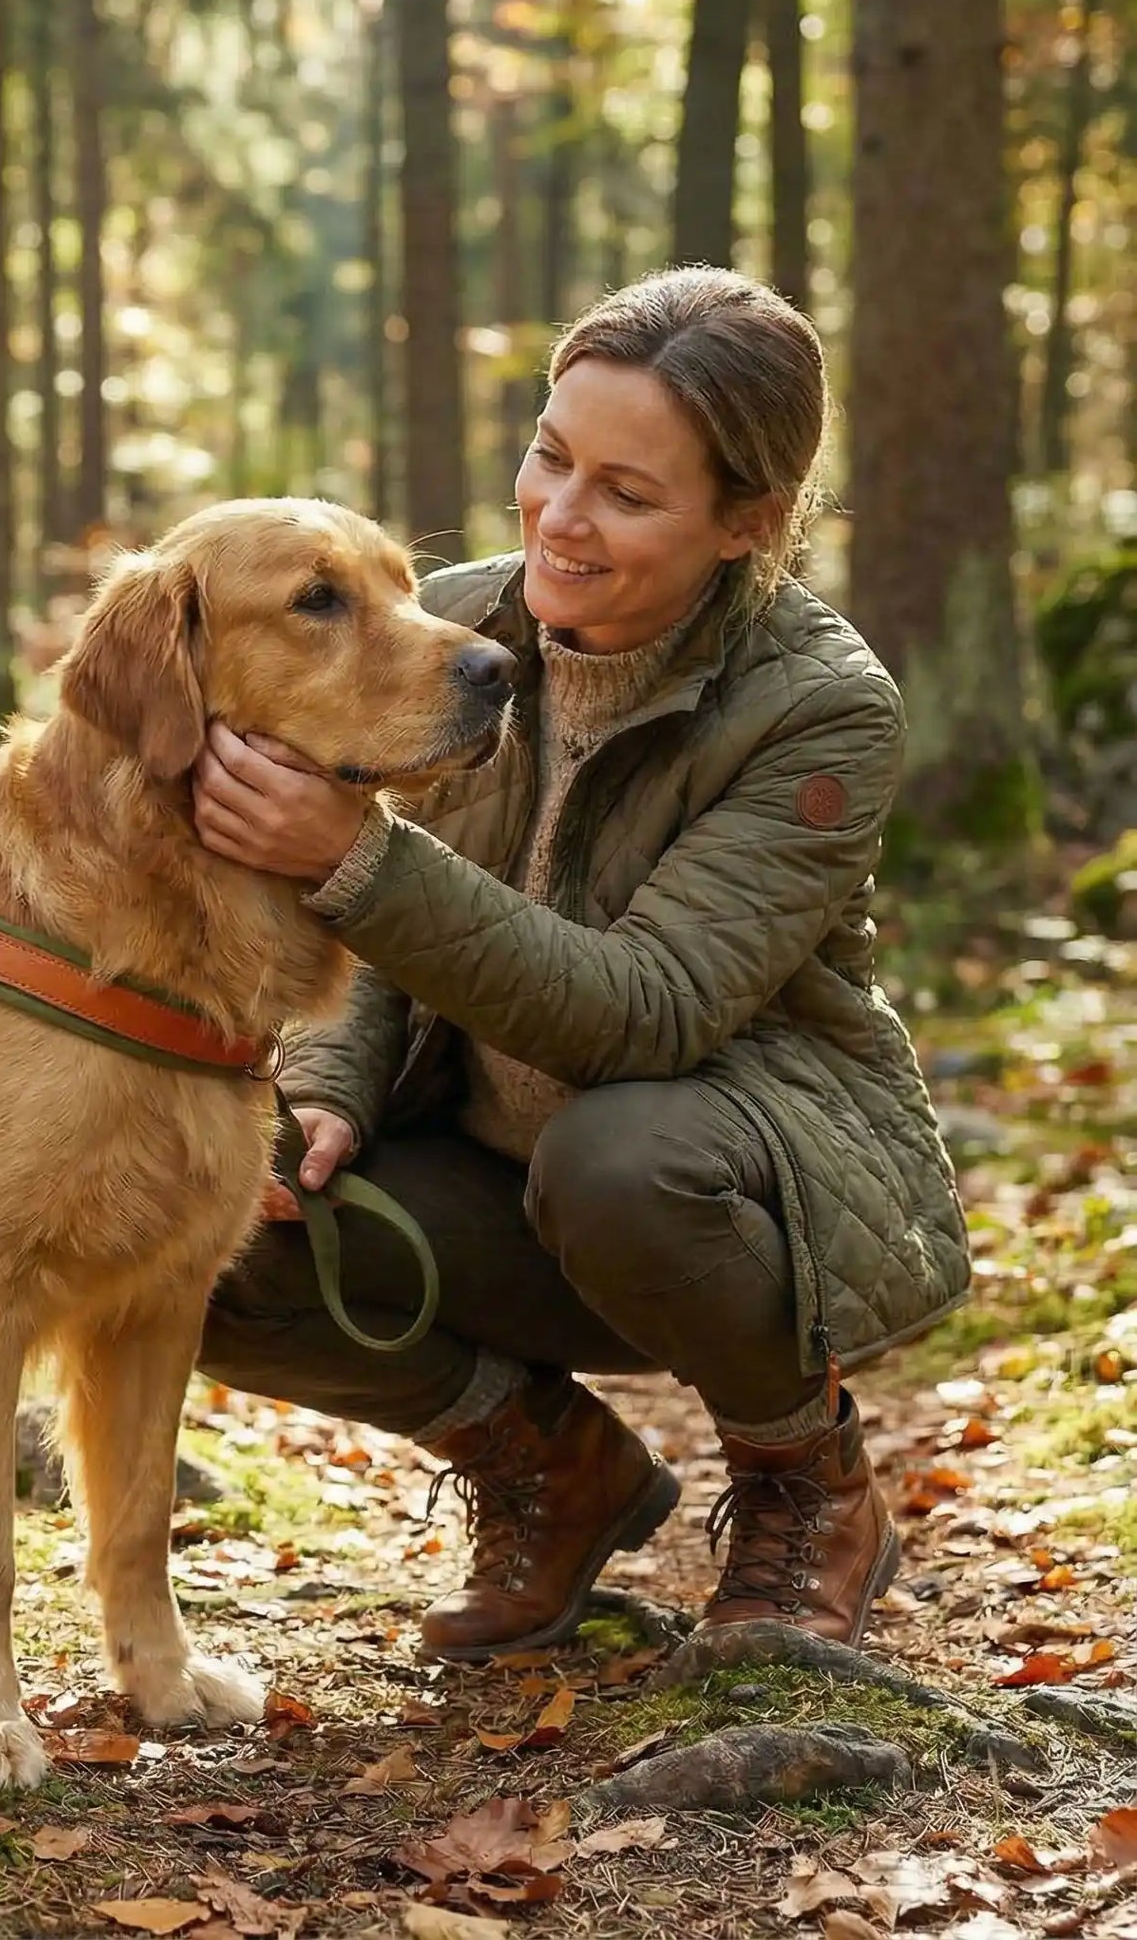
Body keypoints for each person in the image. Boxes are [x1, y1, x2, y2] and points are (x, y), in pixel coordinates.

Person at [189, 266, 970, 1661]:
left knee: (618, 1156)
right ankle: (552, 1471)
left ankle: (810, 1481)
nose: (559, 514)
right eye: (550, 457)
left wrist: (351, 856)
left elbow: (645, 1011)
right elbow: (365, 948)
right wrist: (317, 1093)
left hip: (728, 1194)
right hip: (492, 1179)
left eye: (626, 490)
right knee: (205, 1220)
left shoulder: (818, 706)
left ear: (747, 522)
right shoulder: (454, 623)